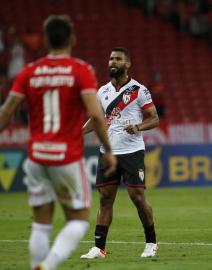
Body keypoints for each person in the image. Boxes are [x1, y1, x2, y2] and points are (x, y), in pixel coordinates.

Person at [0, 15, 116, 270]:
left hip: (37, 156)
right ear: (72, 39)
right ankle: (48, 265)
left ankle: (37, 266)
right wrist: (108, 149)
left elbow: (7, 110)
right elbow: (96, 115)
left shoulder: (29, 71)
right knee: (78, 220)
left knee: (41, 224)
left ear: (45, 40)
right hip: (67, 158)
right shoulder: (80, 70)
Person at [80, 47, 160, 259]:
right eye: (110, 59)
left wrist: (138, 127)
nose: (112, 62)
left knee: (137, 196)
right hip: (107, 152)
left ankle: (151, 242)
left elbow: (154, 118)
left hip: (132, 151)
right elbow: (96, 118)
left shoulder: (138, 90)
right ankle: (99, 248)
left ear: (127, 64)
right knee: (105, 198)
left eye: (117, 59)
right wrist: (79, 132)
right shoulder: (102, 91)